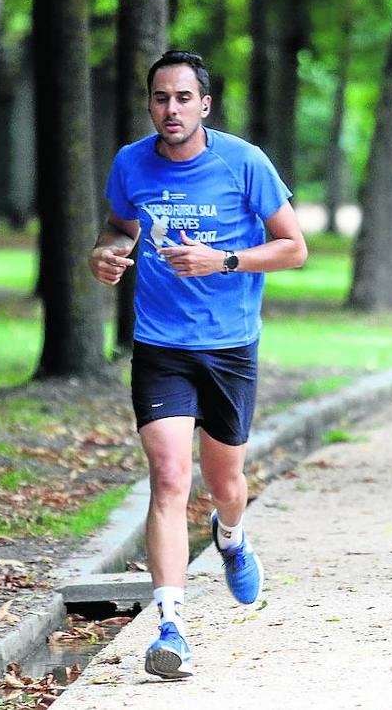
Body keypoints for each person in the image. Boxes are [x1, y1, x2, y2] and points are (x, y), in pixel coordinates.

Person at [88, 50, 308, 680]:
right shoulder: (132, 163)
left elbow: (294, 248)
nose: (171, 109)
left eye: (183, 98)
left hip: (230, 343)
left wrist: (225, 261)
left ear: (203, 105)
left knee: (225, 483)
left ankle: (231, 536)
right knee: (167, 477)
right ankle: (171, 626)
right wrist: (106, 255)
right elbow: (118, 226)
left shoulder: (243, 162)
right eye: (161, 98)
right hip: (160, 343)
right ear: (150, 104)